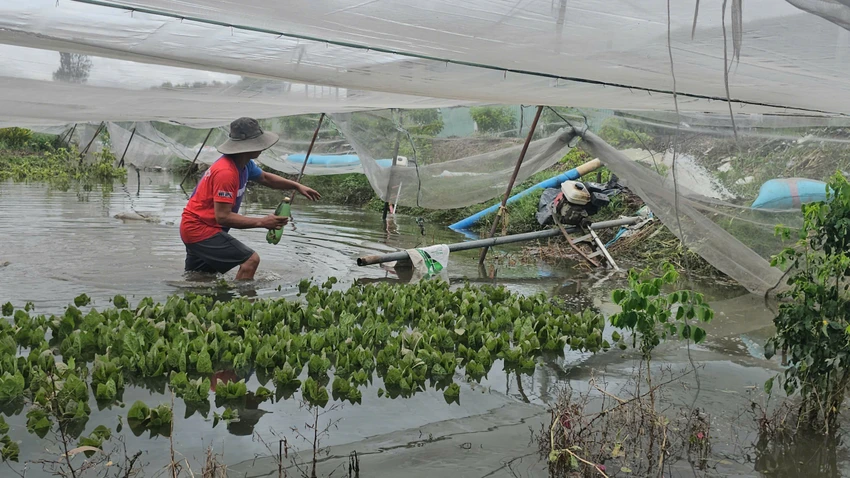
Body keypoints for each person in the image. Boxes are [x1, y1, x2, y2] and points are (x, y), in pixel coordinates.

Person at [180, 117, 321, 280]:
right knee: (250, 260)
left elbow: (266, 178)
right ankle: (242, 301)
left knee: (199, 279)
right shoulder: (226, 172)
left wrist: (296, 186)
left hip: (199, 228)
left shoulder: (244, 164)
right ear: (247, 146)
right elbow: (223, 217)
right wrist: (262, 222)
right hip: (200, 230)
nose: (262, 147)